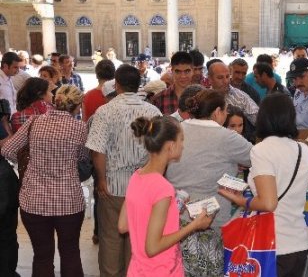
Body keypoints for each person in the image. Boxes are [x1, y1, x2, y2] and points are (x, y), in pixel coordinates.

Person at [219, 92, 308, 277]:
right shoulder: (303, 149)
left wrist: (241, 200)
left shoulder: (262, 150)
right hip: (298, 242)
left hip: (269, 244)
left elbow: (269, 203)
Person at [2, 85, 88, 276]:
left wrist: (31, 161)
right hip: (69, 202)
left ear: (55, 102)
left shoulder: (34, 122)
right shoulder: (80, 128)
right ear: (77, 106)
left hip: (34, 201)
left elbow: (7, 150)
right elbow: (83, 158)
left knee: (42, 256)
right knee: (70, 252)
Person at [165, 89, 252, 277]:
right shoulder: (227, 137)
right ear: (217, 112)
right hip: (209, 222)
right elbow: (256, 158)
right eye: (226, 111)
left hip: (174, 219)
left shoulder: (175, 130)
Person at [86, 64, 162, 276]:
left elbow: (98, 151)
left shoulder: (105, 111)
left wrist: (101, 180)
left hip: (112, 186)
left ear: (116, 84)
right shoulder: (152, 111)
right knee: (137, 239)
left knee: (110, 239)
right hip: (143, 187)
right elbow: (158, 151)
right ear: (139, 85)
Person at [118, 116, 213, 277]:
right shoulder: (163, 188)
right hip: (162, 270)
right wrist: (194, 225)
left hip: (137, 270)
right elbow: (153, 247)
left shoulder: (136, 176)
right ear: (170, 146)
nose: (183, 146)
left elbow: (123, 225)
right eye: (181, 140)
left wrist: (172, 208)